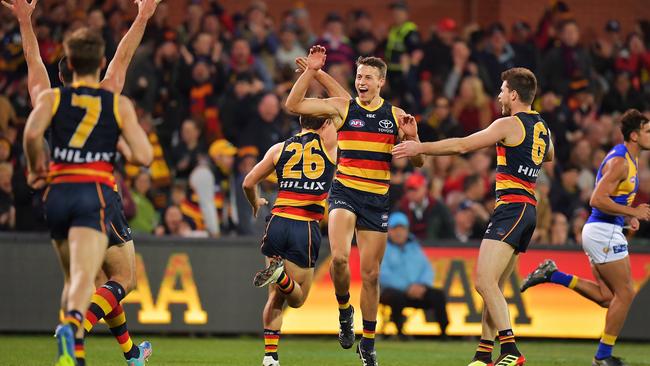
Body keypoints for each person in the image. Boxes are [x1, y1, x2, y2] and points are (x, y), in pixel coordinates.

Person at [3, 0, 158, 364]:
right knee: (123, 278)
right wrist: (143, 16)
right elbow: (123, 57)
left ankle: (129, 354)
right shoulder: (109, 98)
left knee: (90, 280)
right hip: (98, 195)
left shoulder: (48, 99)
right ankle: (73, 331)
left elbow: (32, 62)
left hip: (56, 196)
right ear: (96, 64)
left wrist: (25, 21)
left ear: (66, 69)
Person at [394, 67, 554, 366]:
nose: (499, 95)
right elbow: (549, 155)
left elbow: (463, 145)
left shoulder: (509, 123)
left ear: (514, 95)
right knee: (493, 284)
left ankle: (510, 350)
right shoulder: (541, 126)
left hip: (512, 207)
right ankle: (483, 354)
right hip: (527, 209)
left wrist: (421, 147)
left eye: (503, 90)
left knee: (483, 282)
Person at [286, 45, 423, 366]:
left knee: (372, 275)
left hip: (376, 200)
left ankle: (369, 342)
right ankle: (344, 309)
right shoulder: (342, 108)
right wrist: (310, 72)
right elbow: (292, 104)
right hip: (344, 191)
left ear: (380, 83)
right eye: (359, 76)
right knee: (339, 259)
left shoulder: (395, 116)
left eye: (368, 77)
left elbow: (417, 161)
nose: (361, 81)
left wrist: (414, 138)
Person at [520, 110, 650, 366]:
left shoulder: (627, 160)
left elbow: (611, 199)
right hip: (603, 230)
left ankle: (553, 275)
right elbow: (596, 199)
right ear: (634, 136)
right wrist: (632, 211)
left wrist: (626, 217)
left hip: (604, 229)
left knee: (606, 297)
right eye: (648, 131)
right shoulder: (621, 162)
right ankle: (602, 357)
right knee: (625, 294)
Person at [243, 113, 337, 366]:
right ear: (326, 124)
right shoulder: (330, 147)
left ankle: (270, 356)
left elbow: (248, 182)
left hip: (277, 222)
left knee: (275, 296)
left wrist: (255, 203)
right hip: (304, 226)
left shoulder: (279, 148)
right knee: (297, 298)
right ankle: (281, 276)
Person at [379, 212, 449, 337]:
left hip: (417, 290)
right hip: (393, 292)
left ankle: (444, 333)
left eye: (402, 229)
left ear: (407, 230)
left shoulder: (414, 247)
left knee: (438, 295)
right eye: (395, 229)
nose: (399, 232)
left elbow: (427, 269)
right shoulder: (382, 248)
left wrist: (422, 286)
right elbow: (383, 275)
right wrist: (407, 287)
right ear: (389, 230)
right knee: (396, 298)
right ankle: (399, 332)